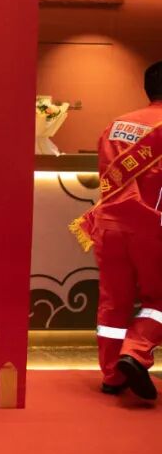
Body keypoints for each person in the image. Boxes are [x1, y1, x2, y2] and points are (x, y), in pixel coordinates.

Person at [82, 60, 162, 400]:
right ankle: (136, 352)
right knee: (158, 301)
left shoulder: (116, 125)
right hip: (151, 227)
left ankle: (113, 376)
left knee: (113, 303)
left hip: (108, 225)